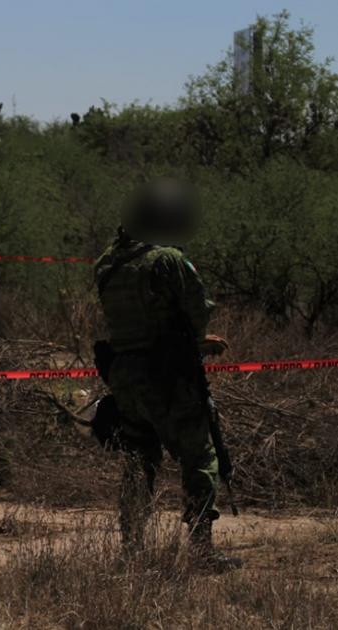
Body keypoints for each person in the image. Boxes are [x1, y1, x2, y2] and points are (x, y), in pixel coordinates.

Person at [94, 178, 242, 571]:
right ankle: (201, 550)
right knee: (199, 457)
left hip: (124, 374)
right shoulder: (167, 259)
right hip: (167, 375)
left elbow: (136, 318)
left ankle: (131, 548)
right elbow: (198, 306)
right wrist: (195, 340)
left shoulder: (107, 263)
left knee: (138, 459)